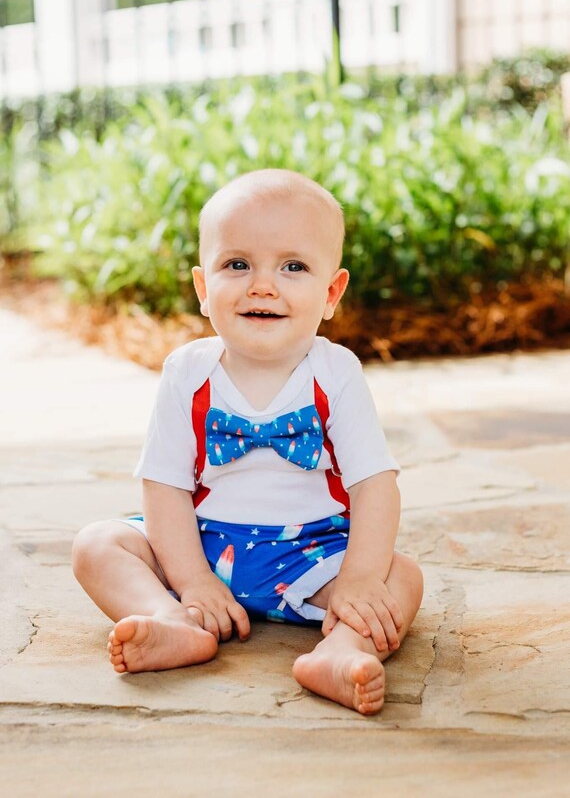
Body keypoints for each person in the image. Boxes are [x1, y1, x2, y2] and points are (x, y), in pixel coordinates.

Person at [72, 168, 423, 716]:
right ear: (203, 288)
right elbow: (163, 486)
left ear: (332, 292)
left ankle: (340, 651)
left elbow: (376, 485)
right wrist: (190, 581)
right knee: (97, 544)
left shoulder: (336, 373)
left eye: (294, 266)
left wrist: (355, 578)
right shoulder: (188, 372)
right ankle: (172, 624)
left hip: (310, 556)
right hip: (201, 545)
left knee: (400, 577)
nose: (263, 284)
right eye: (237, 264)